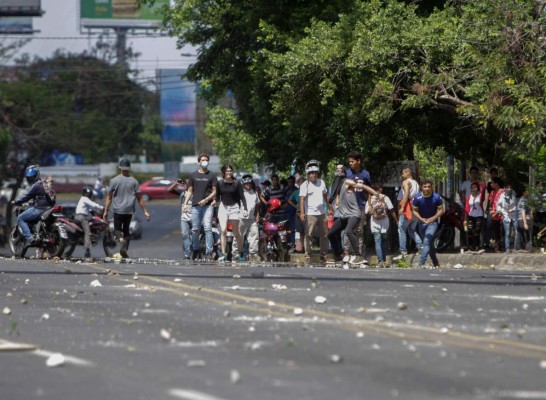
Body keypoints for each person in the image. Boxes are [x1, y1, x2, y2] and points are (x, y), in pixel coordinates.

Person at [103, 158, 151, 258]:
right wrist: (145, 211)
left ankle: (121, 240)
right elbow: (140, 198)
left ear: (120, 167)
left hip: (118, 210)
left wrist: (106, 211)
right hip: (129, 211)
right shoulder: (134, 182)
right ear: (129, 168)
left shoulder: (114, 180)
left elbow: (109, 197)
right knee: (126, 232)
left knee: (117, 230)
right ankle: (124, 250)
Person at [328, 177, 376, 266]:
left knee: (348, 231)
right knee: (330, 234)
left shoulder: (347, 182)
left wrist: (376, 194)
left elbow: (364, 186)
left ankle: (358, 256)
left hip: (354, 215)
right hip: (344, 217)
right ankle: (338, 255)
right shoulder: (339, 190)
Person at [182, 153, 218, 261]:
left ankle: (209, 251)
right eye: (202, 160)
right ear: (199, 162)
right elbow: (189, 191)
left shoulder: (212, 175)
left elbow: (215, 191)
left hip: (208, 206)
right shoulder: (193, 175)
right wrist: (185, 204)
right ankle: (196, 249)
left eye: (206, 160)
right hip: (195, 206)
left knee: (207, 227)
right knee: (195, 229)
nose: (204, 161)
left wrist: (206, 200)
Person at [12, 165, 56, 247]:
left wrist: (16, 201)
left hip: (40, 209)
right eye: (29, 178)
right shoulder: (46, 184)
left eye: (31, 177)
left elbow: (26, 197)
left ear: (37, 176)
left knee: (20, 218)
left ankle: (29, 238)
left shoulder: (36, 185)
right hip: (50, 208)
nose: (30, 179)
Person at [299, 160, 334, 262]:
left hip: (322, 213)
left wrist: (330, 208)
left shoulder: (321, 182)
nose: (313, 175)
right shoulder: (304, 185)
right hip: (310, 213)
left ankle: (324, 254)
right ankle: (308, 254)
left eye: (315, 173)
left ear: (317, 174)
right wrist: (302, 212)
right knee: (309, 234)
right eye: (311, 173)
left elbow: (325, 196)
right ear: (308, 174)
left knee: (324, 234)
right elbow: (302, 199)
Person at [216, 164, 248, 262]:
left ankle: (241, 252)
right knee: (223, 230)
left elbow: (242, 197)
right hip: (223, 207)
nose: (229, 172)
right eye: (227, 171)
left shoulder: (237, 183)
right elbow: (217, 197)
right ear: (224, 172)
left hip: (234, 207)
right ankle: (223, 253)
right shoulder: (220, 183)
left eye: (230, 171)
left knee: (236, 232)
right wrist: (214, 202)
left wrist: (245, 209)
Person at [344, 150, 372, 260]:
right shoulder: (347, 173)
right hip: (349, 207)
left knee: (360, 231)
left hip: (360, 206)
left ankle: (358, 254)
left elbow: (369, 190)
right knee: (348, 230)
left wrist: (369, 204)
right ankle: (346, 253)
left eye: (352, 161)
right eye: (349, 162)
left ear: (358, 161)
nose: (350, 163)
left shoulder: (365, 174)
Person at [412, 179, 445, 268]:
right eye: (425, 187)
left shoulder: (436, 197)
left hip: (432, 223)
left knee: (426, 242)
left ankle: (420, 263)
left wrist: (432, 218)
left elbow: (441, 210)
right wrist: (421, 219)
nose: (427, 189)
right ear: (421, 187)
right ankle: (436, 263)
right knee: (429, 245)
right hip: (421, 223)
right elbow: (414, 211)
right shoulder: (417, 197)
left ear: (432, 187)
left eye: (429, 187)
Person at [366, 183, 398, 268]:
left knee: (377, 241)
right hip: (384, 223)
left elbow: (367, 212)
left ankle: (380, 261)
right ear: (380, 189)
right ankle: (383, 260)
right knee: (384, 241)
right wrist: (396, 220)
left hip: (374, 222)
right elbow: (391, 210)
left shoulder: (370, 199)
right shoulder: (385, 197)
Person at [394, 167, 421, 260]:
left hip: (408, 208)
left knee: (401, 229)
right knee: (412, 230)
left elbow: (406, 194)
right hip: (415, 208)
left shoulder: (406, 182)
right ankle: (420, 246)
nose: (402, 175)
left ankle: (403, 251)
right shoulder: (416, 183)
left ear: (408, 173)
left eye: (403, 173)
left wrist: (402, 207)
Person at [234, 174, 260, 262]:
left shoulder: (254, 192)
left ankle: (253, 254)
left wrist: (257, 215)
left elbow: (257, 205)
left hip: (252, 218)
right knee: (239, 236)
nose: (249, 185)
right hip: (241, 218)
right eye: (247, 184)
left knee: (255, 234)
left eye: (250, 183)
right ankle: (236, 253)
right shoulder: (239, 192)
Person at [75, 187, 104, 259]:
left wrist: (96, 211)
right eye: (88, 194)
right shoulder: (85, 198)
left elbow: (90, 208)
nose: (88, 195)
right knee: (88, 233)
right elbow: (93, 205)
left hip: (78, 216)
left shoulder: (82, 199)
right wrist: (102, 208)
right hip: (81, 217)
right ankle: (87, 251)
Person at [168, 178, 192, 260]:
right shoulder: (182, 193)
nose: (188, 186)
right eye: (186, 184)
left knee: (195, 235)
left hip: (195, 217)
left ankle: (196, 250)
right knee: (185, 235)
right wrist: (176, 183)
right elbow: (169, 190)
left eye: (190, 184)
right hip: (184, 218)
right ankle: (187, 254)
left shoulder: (197, 193)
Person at [496, 183, 517, 254]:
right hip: (506, 216)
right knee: (507, 233)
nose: (509, 189)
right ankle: (507, 248)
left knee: (516, 232)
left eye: (510, 187)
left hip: (514, 216)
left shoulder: (514, 194)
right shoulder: (502, 196)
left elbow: (517, 205)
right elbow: (498, 205)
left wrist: (513, 209)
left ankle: (515, 248)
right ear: (504, 188)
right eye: (507, 187)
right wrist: (500, 211)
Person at [464, 182, 485, 252]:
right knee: (469, 231)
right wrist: (465, 218)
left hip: (479, 216)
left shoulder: (480, 196)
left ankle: (477, 246)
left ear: (478, 188)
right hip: (470, 216)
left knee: (477, 232)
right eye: (472, 187)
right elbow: (466, 208)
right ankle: (470, 247)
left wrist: (477, 182)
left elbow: (484, 186)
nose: (473, 189)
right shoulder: (469, 197)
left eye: (475, 187)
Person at [287, 176, 306, 253]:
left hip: (308, 212)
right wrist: (296, 207)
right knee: (301, 231)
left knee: (307, 231)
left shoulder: (308, 191)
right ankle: (302, 247)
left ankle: (308, 247)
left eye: (303, 183)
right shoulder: (296, 192)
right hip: (299, 213)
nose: (301, 184)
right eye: (300, 183)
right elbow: (289, 200)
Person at [488, 177, 504, 252]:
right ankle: (497, 247)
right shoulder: (492, 192)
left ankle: (502, 245)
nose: (491, 184)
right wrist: (490, 210)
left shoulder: (502, 191)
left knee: (502, 230)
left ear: (496, 184)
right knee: (496, 231)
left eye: (492, 183)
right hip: (494, 214)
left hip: (501, 214)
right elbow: (490, 203)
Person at [516, 187, 532, 252]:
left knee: (521, 234)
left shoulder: (526, 200)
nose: (528, 193)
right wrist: (525, 223)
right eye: (527, 191)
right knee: (527, 234)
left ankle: (520, 248)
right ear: (523, 192)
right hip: (522, 219)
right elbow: (523, 212)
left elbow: (530, 208)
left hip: (521, 219)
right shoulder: (522, 201)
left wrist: (531, 213)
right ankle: (527, 249)